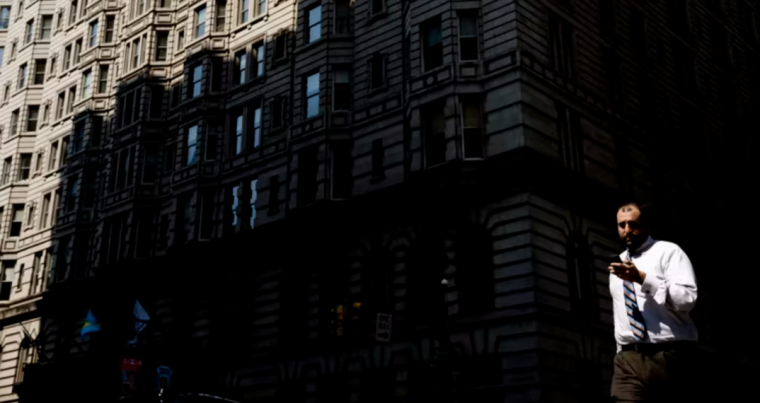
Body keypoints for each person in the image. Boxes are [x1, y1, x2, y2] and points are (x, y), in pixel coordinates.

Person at [608, 202, 699, 402]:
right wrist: (619, 351)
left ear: (647, 225)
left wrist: (642, 278)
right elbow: (621, 312)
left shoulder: (668, 252)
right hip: (628, 359)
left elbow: (686, 299)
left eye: (633, 224)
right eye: (621, 225)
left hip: (668, 354)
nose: (627, 230)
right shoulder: (618, 264)